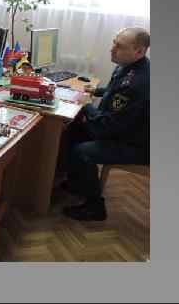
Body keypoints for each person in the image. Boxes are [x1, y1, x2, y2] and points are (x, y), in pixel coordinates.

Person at [60, 27, 150, 222]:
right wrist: (96, 91)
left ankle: (95, 208)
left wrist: (86, 105)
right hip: (123, 131)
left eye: (119, 46)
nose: (112, 49)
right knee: (73, 129)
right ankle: (77, 183)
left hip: (136, 145)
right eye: (114, 43)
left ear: (139, 51)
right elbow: (114, 90)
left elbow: (106, 126)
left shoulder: (137, 83)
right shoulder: (130, 66)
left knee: (82, 151)